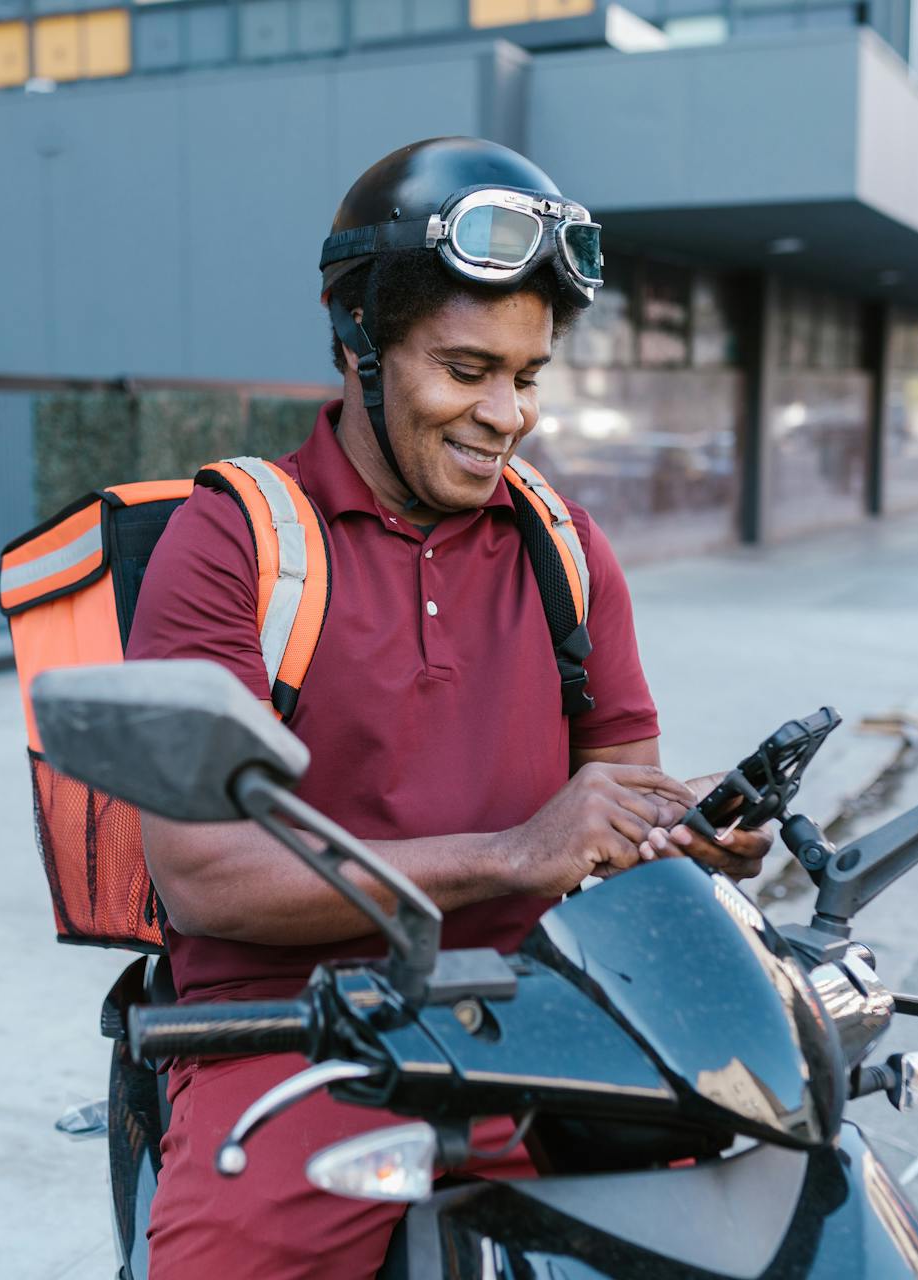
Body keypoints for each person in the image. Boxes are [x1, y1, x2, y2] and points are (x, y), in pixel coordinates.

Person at [123, 136, 773, 1279]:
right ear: (358, 341)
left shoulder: (567, 551)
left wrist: (683, 837)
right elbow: (202, 873)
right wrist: (515, 850)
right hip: (298, 1035)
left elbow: (614, 808)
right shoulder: (235, 541)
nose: (508, 412)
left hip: (546, 1020)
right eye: (467, 370)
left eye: (527, 376)